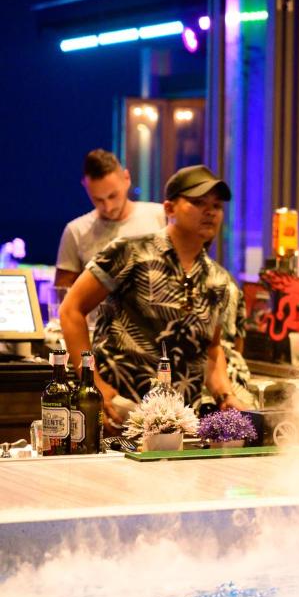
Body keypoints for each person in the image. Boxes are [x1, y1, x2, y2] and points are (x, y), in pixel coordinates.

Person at [60, 165, 245, 429]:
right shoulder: (130, 252)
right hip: (117, 417)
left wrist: (225, 395)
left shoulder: (219, 280)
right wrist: (93, 384)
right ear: (169, 208)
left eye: (216, 205)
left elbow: (211, 350)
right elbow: (71, 309)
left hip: (179, 428)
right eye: (197, 202)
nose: (210, 211)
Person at [54, 149, 166, 290]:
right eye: (98, 199)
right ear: (85, 187)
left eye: (113, 196)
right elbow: (63, 291)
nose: (108, 207)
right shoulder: (76, 231)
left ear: (127, 179)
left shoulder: (160, 217)